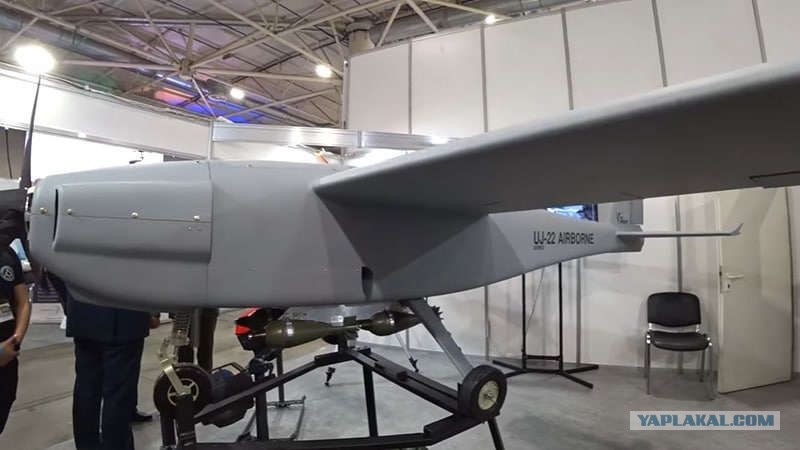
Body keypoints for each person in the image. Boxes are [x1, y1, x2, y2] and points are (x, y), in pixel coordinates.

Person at [65, 289, 151, 450]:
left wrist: (72, 300)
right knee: (118, 396)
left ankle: (86, 445)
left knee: (86, 389)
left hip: (83, 314)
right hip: (125, 315)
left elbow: (56, 275)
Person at [0, 242, 30, 435]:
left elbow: (22, 302)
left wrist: (16, 340)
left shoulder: (7, 254)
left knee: (5, 398)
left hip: (8, 354)